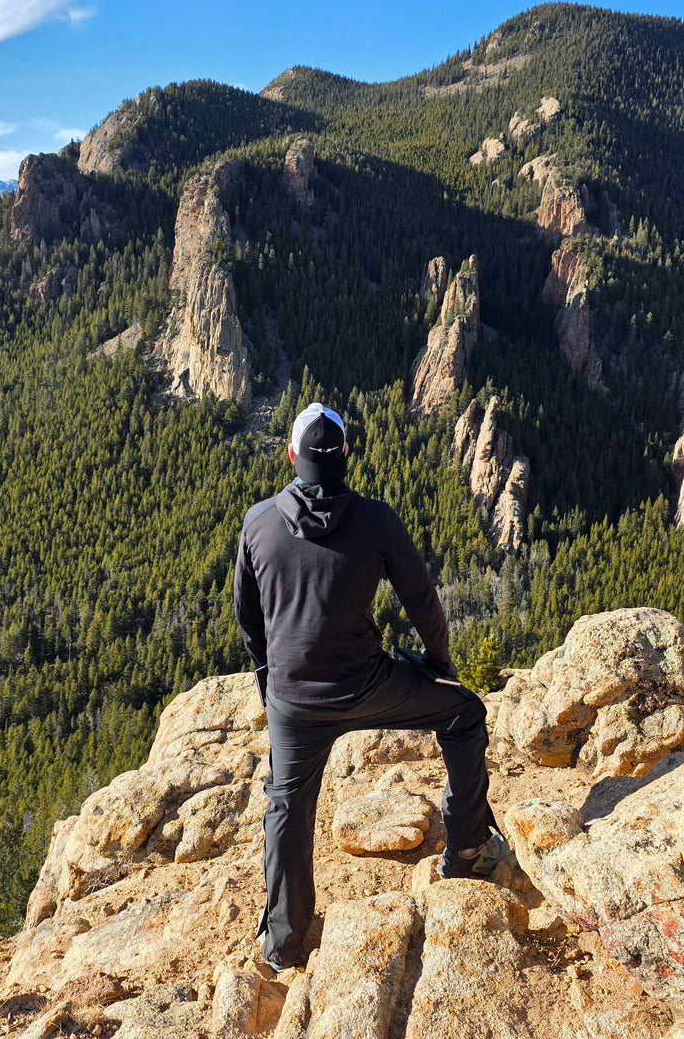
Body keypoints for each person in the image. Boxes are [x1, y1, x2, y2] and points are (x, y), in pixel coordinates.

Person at [233, 401, 507, 972]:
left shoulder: (258, 523)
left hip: (294, 701)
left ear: (292, 456)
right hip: (369, 685)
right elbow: (423, 604)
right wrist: (439, 666)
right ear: (346, 457)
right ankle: (465, 850)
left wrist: (270, 682)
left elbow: (249, 619)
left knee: (286, 805)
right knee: (464, 714)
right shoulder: (377, 521)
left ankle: (283, 945)